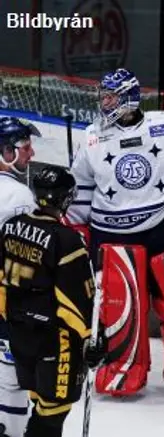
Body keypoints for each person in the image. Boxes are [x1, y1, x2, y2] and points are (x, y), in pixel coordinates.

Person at [66, 68, 164, 395]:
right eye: (103, 96)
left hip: (163, 228)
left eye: (110, 96)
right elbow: (81, 189)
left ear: (129, 98)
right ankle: (123, 373)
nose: (104, 102)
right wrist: (73, 227)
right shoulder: (92, 135)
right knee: (120, 307)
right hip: (111, 234)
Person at [1, 166, 104, 437]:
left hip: (19, 334)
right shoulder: (68, 241)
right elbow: (77, 302)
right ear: (66, 199)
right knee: (53, 412)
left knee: (39, 400)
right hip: (54, 340)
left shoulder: (10, 228)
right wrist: (93, 338)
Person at [0, 116, 39, 437]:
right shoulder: (20, 197)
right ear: (5, 151)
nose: (32, 153)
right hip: (7, 303)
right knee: (11, 380)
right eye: (25, 147)